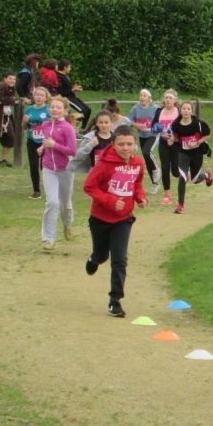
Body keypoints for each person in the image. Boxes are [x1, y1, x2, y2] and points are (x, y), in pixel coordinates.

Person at [83, 125, 148, 318]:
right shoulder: (104, 164)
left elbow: (136, 185)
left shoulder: (137, 163)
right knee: (102, 255)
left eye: (129, 144)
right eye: (121, 144)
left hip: (123, 219)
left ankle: (115, 300)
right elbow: (89, 186)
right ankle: (94, 258)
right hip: (100, 218)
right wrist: (111, 201)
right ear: (113, 144)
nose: (126, 148)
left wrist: (140, 198)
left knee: (120, 259)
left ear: (135, 144)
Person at [39, 96, 78, 251]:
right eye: (52, 107)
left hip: (65, 170)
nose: (55, 110)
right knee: (52, 202)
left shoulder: (68, 128)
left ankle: (67, 225)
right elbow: (46, 141)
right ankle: (49, 239)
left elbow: (72, 150)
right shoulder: (45, 124)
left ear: (65, 110)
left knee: (65, 204)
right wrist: (43, 148)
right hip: (49, 168)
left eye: (58, 107)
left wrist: (54, 145)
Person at [168, 100, 213, 215]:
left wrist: (197, 143)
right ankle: (180, 205)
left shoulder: (198, 123)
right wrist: (172, 139)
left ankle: (207, 175)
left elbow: (207, 135)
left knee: (194, 179)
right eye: (184, 108)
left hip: (197, 153)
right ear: (180, 110)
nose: (186, 111)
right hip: (183, 153)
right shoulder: (176, 123)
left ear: (191, 111)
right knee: (182, 176)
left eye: (188, 109)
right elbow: (176, 135)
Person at [128, 89, 160, 194]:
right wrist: (136, 125)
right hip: (142, 136)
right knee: (146, 159)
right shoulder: (135, 108)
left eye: (144, 96)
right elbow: (129, 121)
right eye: (141, 95)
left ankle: (156, 169)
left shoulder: (154, 108)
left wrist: (156, 127)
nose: (142, 97)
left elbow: (161, 120)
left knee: (147, 152)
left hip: (153, 135)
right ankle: (155, 184)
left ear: (149, 98)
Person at [152, 89, 181, 206]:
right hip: (164, 143)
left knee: (175, 171)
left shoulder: (179, 112)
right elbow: (153, 125)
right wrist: (157, 128)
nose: (168, 100)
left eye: (170, 98)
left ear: (175, 100)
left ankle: (185, 172)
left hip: (176, 143)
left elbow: (184, 127)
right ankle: (167, 195)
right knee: (165, 167)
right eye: (166, 97)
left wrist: (174, 137)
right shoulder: (159, 111)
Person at [23, 86, 51, 200]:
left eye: (41, 95)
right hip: (32, 140)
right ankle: (36, 191)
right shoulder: (29, 109)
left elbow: (54, 124)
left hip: (46, 141)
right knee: (33, 165)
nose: (38, 97)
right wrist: (25, 122)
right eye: (37, 95)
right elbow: (24, 127)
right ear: (33, 97)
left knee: (44, 166)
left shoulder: (49, 109)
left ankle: (50, 189)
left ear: (45, 98)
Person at [56, 59, 90, 131]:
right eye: (69, 67)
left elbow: (68, 88)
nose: (70, 69)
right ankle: (71, 125)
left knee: (88, 110)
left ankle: (83, 129)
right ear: (65, 67)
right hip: (67, 99)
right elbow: (61, 92)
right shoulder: (59, 77)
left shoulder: (65, 76)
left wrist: (75, 88)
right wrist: (73, 90)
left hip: (73, 97)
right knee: (83, 111)